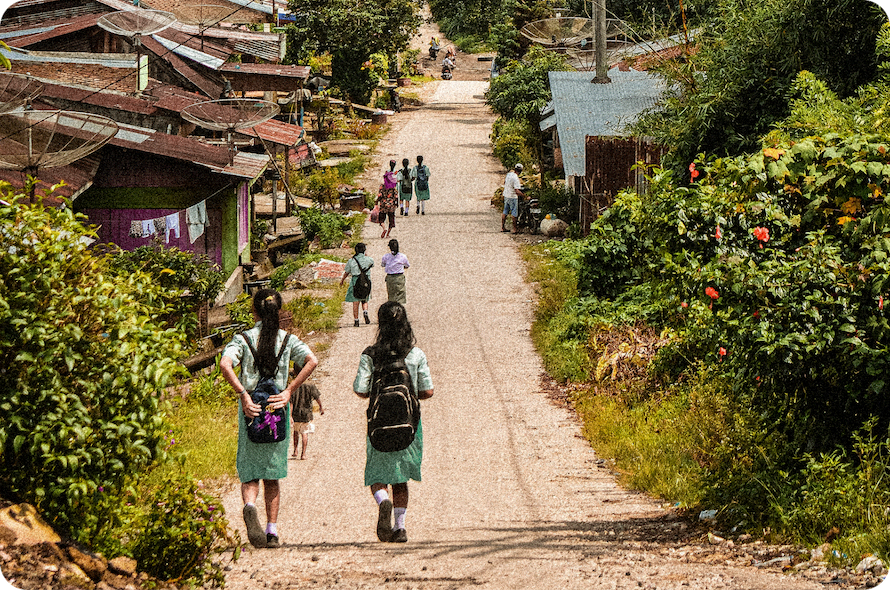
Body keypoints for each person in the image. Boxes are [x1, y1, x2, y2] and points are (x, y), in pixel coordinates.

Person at [220, 289, 318, 549]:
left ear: (254, 311)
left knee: (251, 472)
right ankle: (272, 531)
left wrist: (243, 394)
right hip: (277, 410)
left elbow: (225, 364)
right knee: (272, 477)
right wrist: (289, 391)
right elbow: (312, 360)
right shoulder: (288, 340)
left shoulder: (243, 339)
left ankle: (250, 506)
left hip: (251, 410)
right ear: (279, 311)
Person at [353, 301, 434, 543]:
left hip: (378, 424)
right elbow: (428, 391)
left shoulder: (370, 355)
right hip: (409, 424)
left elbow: (360, 389)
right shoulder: (415, 354)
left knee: (377, 475)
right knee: (401, 479)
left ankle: (383, 501)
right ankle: (400, 527)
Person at [340, 242, 374, 326]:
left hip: (355, 281)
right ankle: (365, 312)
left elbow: (347, 272)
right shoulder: (369, 259)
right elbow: (372, 264)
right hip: (366, 281)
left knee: (355, 302)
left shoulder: (351, 261)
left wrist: (342, 280)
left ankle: (356, 320)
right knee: (365, 299)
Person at [291, 383, 324, 460]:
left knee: (296, 431)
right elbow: (317, 397)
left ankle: (295, 450)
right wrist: (321, 407)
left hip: (295, 413)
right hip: (306, 414)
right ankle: (303, 454)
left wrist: (290, 415)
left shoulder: (294, 385)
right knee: (304, 433)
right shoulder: (310, 386)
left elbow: (291, 402)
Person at [381, 238, 409, 304]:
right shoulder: (402, 256)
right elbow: (407, 265)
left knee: (391, 295)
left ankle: (392, 308)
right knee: (400, 295)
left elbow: (383, 264)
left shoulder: (386, 257)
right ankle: (399, 308)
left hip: (390, 277)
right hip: (399, 277)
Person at [501, 163, 527, 233]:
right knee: (514, 213)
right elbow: (517, 191)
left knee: (505, 212)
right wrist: (524, 196)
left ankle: (502, 227)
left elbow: (505, 182)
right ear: (520, 171)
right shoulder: (516, 178)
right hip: (512, 197)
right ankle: (515, 229)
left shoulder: (509, 174)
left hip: (506, 195)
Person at [377, 160, 399, 238]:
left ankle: (384, 228)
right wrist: (396, 203)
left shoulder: (382, 186)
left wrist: (376, 202)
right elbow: (396, 197)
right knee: (391, 220)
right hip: (391, 206)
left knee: (381, 219)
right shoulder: (393, 188)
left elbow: (379, 195)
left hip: (383, 205)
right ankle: (388, 234)